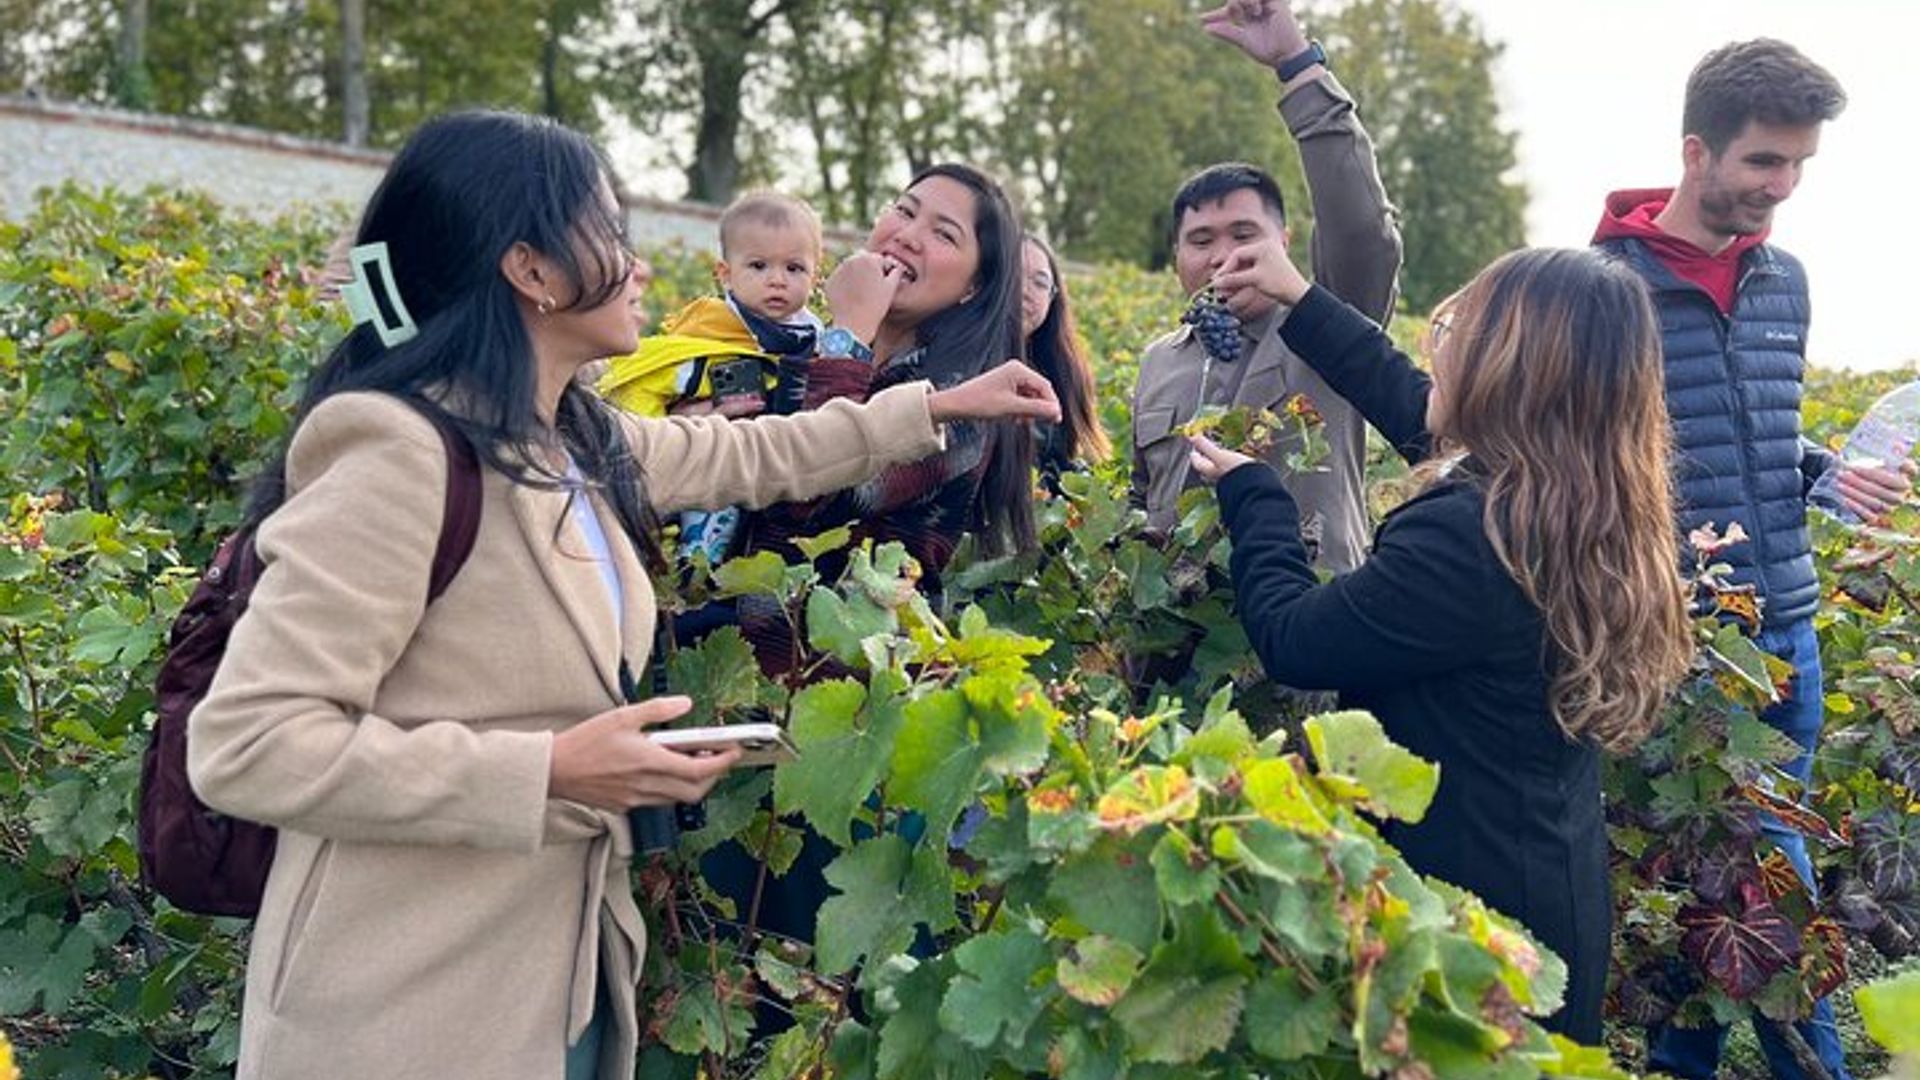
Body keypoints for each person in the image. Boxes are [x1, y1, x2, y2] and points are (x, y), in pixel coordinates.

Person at [183, 110, 1059, 1080]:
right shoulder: (403, 451)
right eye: (614, 235)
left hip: (555, 974)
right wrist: (550, 773)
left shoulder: (570, 436)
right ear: (534, 271)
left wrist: (933, 406)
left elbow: (750, 453)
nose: (644, 268)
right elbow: (247, 746)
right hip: (401, 1001)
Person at [1188, 240, 1695, 1042]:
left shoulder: (1470, 539)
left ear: (1506, 371)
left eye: (1461, 332)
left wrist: (1257, 497)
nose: (1440, 344)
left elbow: (1293, 638)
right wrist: (1299, 296)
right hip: (1542, 886)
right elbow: (1407, 403)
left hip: (1467, 925)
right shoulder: (1566, 500)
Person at [1591, 39, 1901, 1080]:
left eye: (1799, 165)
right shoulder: (1602, 290)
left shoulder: (1783, 281)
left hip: (1790, 635)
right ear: (1696, 151)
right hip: (1671, 644)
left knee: (1759, 883)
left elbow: (1756, 433)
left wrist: (1823, 468)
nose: (1783, 188)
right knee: (1711, 885)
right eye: (1764, 163)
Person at [1130, 0, 1400, 569]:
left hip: (1310, 637)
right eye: (1201, 241)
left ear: (1284, 240)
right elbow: (1140, 503)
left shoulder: (1330, 328)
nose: (1223, 256)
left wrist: (1297, 65)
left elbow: (1361, 229)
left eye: (1244, 234)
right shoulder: (1158, 364)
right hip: (1181, 651)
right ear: (1177, 257)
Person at [732, 161, 1035, 665]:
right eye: (904, 211)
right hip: (734, 659)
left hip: (834, 678)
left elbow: (809, 484)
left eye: (943, 234)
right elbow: (746, 468)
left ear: (973, 287)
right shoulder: (801, 342)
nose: (909, 236)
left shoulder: (958, 406)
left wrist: (849, 330)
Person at [598, 190, 827, 564]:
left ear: (814, 276)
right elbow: (659, 380)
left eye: (794, 268)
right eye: (758, 266)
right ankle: (695, 567)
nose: (777, 280)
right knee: (709, 507)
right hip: (712, 448)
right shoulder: (712, 333)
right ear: (726, 274)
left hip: (776, 461)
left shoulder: (814, 336)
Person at [1020, 233, 1112, 491]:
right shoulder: (951, 364)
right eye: (1012, 275)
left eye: (1039, 283)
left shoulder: (1062, 373)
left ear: (1053, 298)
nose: (1025, 291)